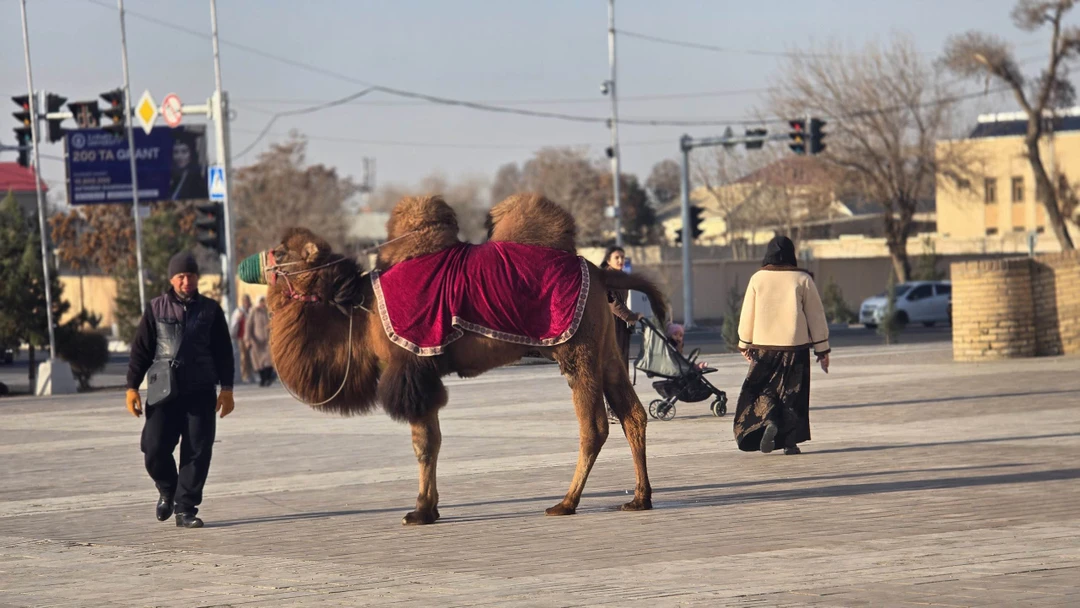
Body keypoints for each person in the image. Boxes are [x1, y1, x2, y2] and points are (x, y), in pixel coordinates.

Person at [125, 251, 234, 528]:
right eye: (181, 276)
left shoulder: (211, 310)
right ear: (172, 279)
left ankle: (186, 509)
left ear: (197, 278)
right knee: (153, 446)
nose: (186, 281)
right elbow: (141, 351)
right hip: (164, 392)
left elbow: (223, 352)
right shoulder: (156, 308)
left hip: (200, 390)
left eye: (191, 275)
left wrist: (227, 389)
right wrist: (132, 387)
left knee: (198, 450)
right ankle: (168, 488)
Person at [732, 236, 830, 456]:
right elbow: (816, 315)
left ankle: (768, 421)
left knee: (762, 389)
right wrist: (822, 349)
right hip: (796, 348)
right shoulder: (802, 278)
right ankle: (789, 443)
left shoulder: (758, 279)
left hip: (764, 348)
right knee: (792, 393)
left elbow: (748, 313)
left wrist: (744, 343)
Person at [600, 246, 644, 364]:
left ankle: (622, 381)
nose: (620, 260)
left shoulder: (621, 276)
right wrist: (630, 316)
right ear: (608, 261)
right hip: (610, 321)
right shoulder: (607, 278)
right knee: (614, 357)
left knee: (622, 355)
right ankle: (615, 382)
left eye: (622, 257)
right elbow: (612, 302)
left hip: (620, 321)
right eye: (617, 257)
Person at [169, 134, 209, 201]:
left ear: (191, 154)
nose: (179, 157)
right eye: (176, 152)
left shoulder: (196, 180)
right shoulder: (170, 178)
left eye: (184, 152)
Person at [246, 295, 274, 387]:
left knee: (269, 361)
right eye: (261, 301)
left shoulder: (267, 311)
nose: (263, 303)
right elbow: (248, 326)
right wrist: (248, 339)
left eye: (264, 301)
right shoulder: (254, 312)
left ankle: (268, 379)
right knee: (259, 363)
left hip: (268, 341)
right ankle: (263, 379)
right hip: (257, 342)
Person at [230, 294, 254, 384]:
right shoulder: (238, 311)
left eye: (247, 301)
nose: (247, 303)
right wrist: (238, 318)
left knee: (252, 357)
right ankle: (245, 375)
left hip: (251, 337)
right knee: (244, 357)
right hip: (241, 337)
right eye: (245, 301)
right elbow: (233, 323)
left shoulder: (252, 310)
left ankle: (251, 374)